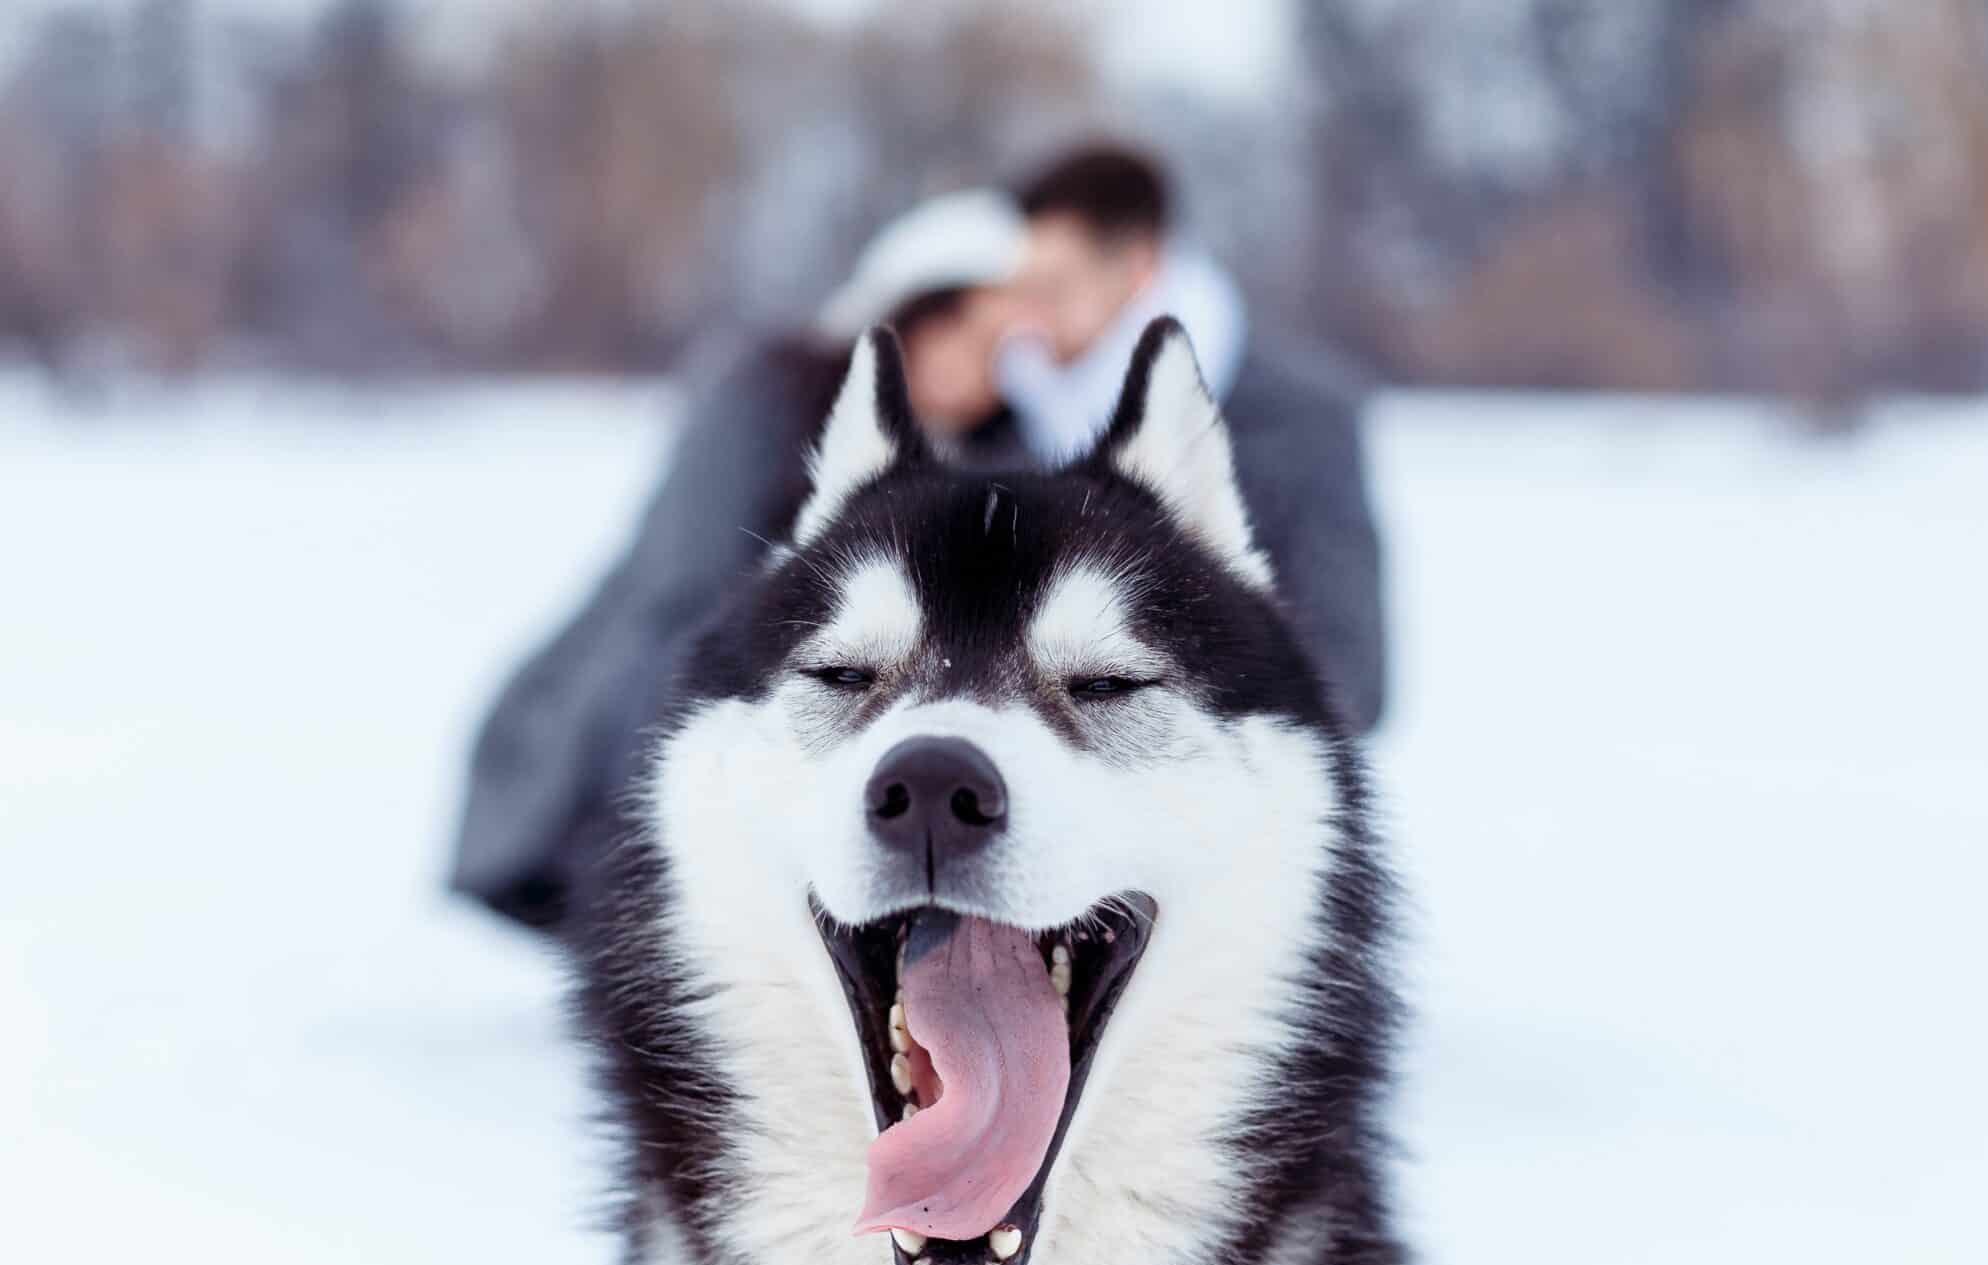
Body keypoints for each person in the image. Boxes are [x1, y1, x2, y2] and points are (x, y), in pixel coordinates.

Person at [449, 192, 1029, 930]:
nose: (988, 371)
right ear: (915, 318)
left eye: (1001, 351)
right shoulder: (768, 395)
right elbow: (684, 574)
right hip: (674, 660)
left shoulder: (997, 449)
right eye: (972, 340)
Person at [992, 145, 1389, 735]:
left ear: (1139, 266)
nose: (1027, 318)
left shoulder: (1300, 418)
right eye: (1022, 289)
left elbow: (1350, 677)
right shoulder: (1008, 408)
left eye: (1054, 289)